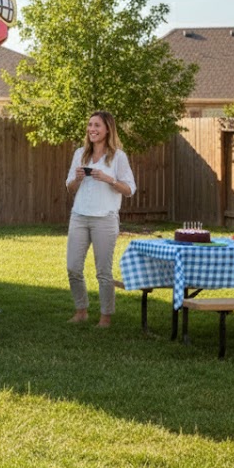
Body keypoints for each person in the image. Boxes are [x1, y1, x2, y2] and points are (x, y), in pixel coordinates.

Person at [65, 111, 137, 328]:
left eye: (97, 125)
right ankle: (81, 311)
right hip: (79, 216)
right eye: (89, 125)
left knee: (103, 271)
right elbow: (69, 186)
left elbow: (130, 190)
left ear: (107, 129)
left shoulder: (118, 157)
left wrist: (109, 179)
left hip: (105, 218)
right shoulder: (80, 154)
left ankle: (106, 316)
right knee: (73, 267)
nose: (92, 129)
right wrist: (77, 179)